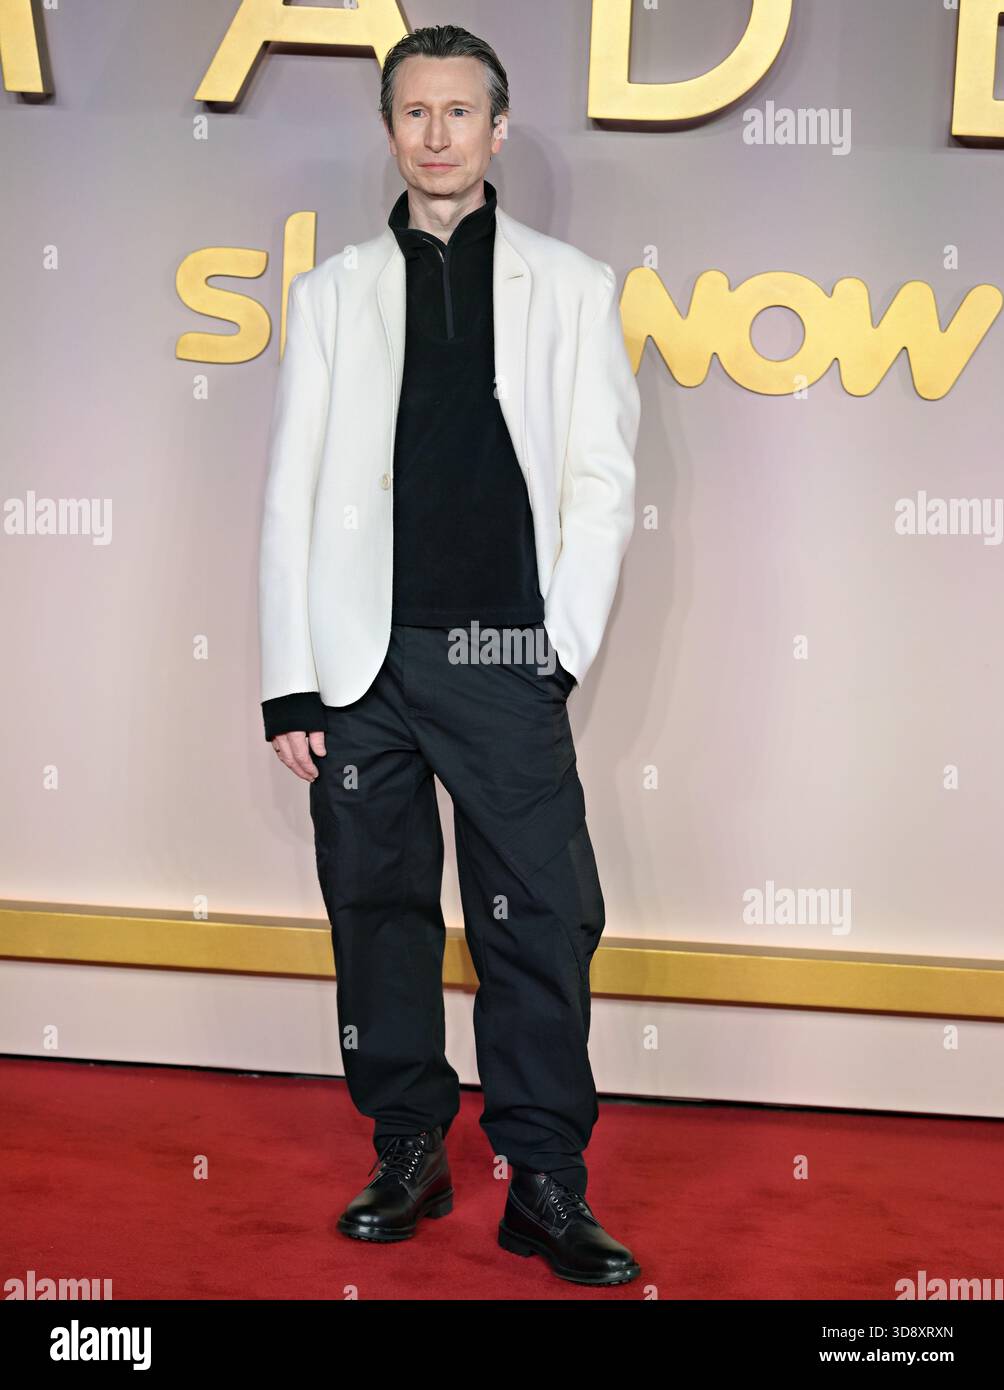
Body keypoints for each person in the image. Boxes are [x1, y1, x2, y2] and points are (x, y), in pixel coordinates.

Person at [258, 24, 642, 1287]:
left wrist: (557, 654)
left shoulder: (573, 287)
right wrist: (289, 677)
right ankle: (409, 1148)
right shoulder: (327, 295)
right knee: (375, 917)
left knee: (539, 918)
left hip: (501, 655)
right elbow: (291, 494)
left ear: (495, 128)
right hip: (358, 668)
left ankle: (542, 1183)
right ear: (390, 130)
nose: (434, 134)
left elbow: (600, 483)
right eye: (412, 113)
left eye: (457, 112)